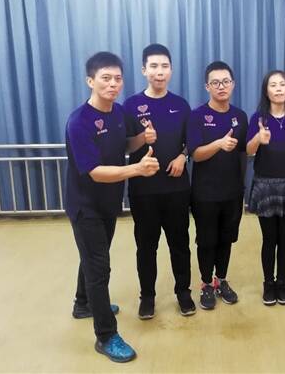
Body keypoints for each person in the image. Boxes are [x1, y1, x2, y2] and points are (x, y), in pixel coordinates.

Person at [66, 52, 159, 362]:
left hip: (108, 202)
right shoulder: (79, 121)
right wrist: (137, 170)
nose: (113, 84)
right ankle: (105, 336)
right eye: (105, 78)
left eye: (117, 78)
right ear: (90, 81)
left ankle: (83, 303)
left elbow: (125, 145)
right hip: (85, 206)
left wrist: (142, 138)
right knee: (99, 267)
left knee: (93, 256)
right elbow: (94, 172)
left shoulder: (118, 113)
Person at [123, 44, 195, 319]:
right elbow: (126, 147)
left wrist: (182, 157)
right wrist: (143, 138)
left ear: (171, 70)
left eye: (164, 66)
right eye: (153, 66)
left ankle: (183, 292)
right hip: (144, 190)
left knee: (180, 244)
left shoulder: (181, 105)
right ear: (144, 70)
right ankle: (148, 297)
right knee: (146, 246)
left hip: (177, 188)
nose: (159, 71)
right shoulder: (130, 106)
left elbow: (191, 141)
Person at [187, 61, 248, 310]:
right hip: (205, 193)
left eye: (225, 82)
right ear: (207, 86)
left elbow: (243, 153)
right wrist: (218, 144)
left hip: (232, 192)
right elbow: (196, 154)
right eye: (215, 82)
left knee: (226, 239)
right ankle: (205, 283)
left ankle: (221, 279)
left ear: (233, 84)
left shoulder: (240, 116)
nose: (221, 86)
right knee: (206, 240)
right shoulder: (197, 116)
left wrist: (241, 186)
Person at [246, 70, 285, 306]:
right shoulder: (258, 118)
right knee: (269, 238)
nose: (278, 88)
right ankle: (268, 283)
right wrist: (258, 138)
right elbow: (248, 151)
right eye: (273, 85)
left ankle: (281, 284)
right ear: (266, 91)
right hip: (264, 185)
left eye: (282, 84)